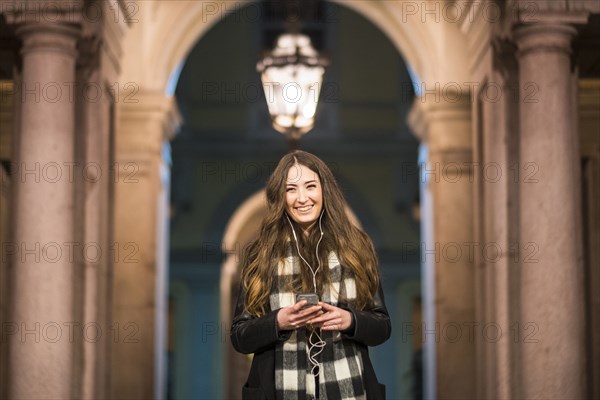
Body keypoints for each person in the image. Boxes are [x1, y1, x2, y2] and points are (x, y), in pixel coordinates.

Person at [231, 150, 391, 400]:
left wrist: (349, 320)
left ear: (324, 190)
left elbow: (382, 326)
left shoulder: (357, 246)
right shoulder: (259, 252)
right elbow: (240, 336)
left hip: (349, 387)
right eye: (291, 189)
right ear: (280, 197)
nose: (302, 198)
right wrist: (278, 322)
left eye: (310, 186)